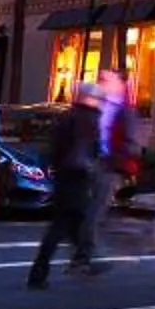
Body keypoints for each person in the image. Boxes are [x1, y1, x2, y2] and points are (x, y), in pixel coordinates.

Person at [28, 87, 107, 289]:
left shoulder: (67, 117)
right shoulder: (87, 119)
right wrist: (89, 168)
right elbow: (87, 151)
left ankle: (85, 259)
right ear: (89, 98)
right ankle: (40, 273)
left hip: (65, 178)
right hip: (77, 178)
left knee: (73, 223)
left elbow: (54, 149)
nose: (100, 102)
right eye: (97, 98)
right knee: (63, 226)